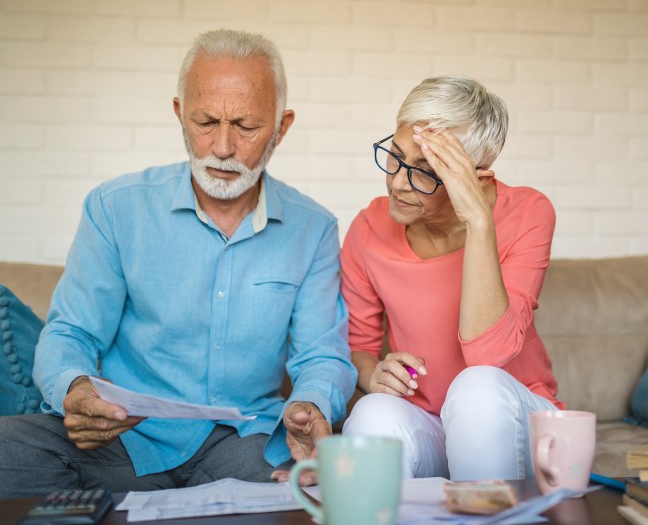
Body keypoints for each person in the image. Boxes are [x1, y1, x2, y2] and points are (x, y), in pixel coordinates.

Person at [0, 29, 356, 498]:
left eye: (246, 127)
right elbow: (72, 334)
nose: (223, 147)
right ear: (178, 114)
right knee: (10, 449)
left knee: (301, 486)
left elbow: (320, 355)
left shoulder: (314, 229)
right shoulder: (115, 207)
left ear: (282, 126)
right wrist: (76, 388)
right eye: (205, 122)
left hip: (243, 445)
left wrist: (310, 403)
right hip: (123, 440)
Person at [340, 75, 564, 481]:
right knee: (372, 412)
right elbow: (360, 347)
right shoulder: (368, 228)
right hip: (431, 423)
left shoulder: (528, 212)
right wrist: (373, 373)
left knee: (477, 389)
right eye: (395, 155)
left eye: (426, 171)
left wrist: (478, 220)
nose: (396, 182)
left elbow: (488, 357)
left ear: (475, 178)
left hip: (517, 422)